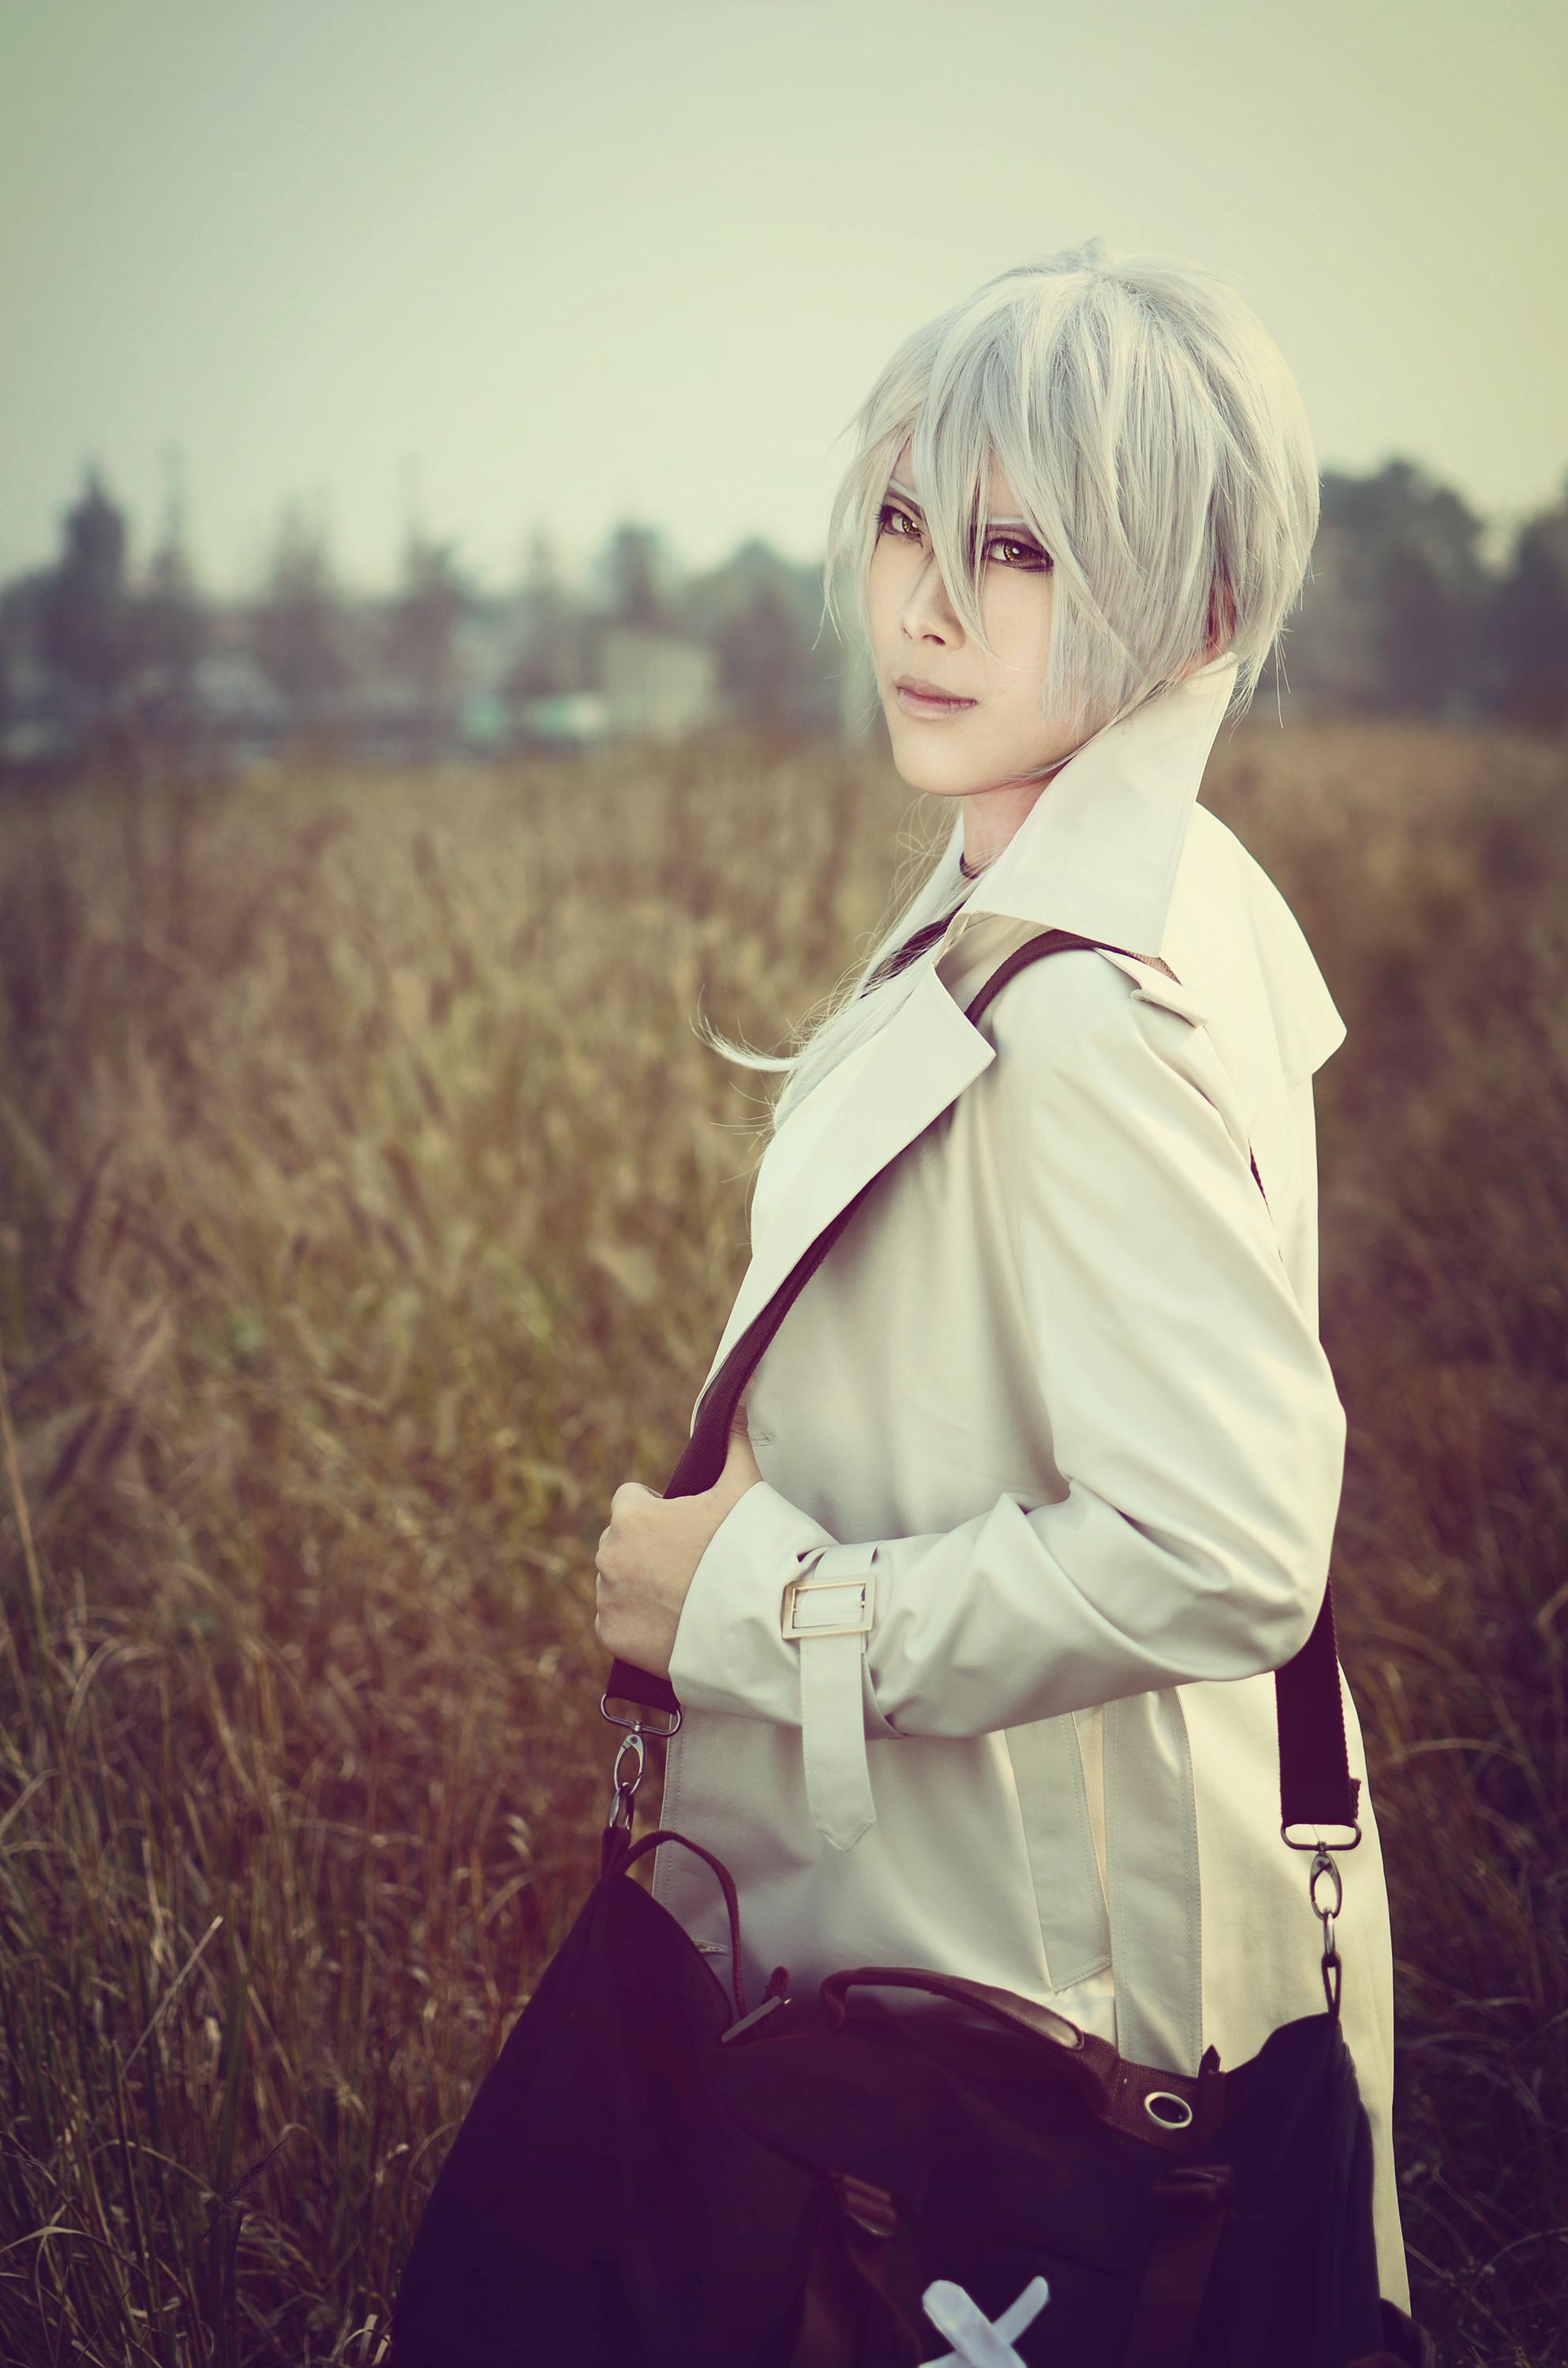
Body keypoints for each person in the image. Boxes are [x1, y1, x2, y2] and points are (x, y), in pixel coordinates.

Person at [593, 234, 1410, 2316]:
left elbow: (1229, 1549)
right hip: (1023, 1922)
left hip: (1046, 2003)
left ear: (1194, 611)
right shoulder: (1129, 884)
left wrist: (748, 1612)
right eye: (901, 523)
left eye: (1017, 551)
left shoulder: (1089, 1007)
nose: (925, 607)